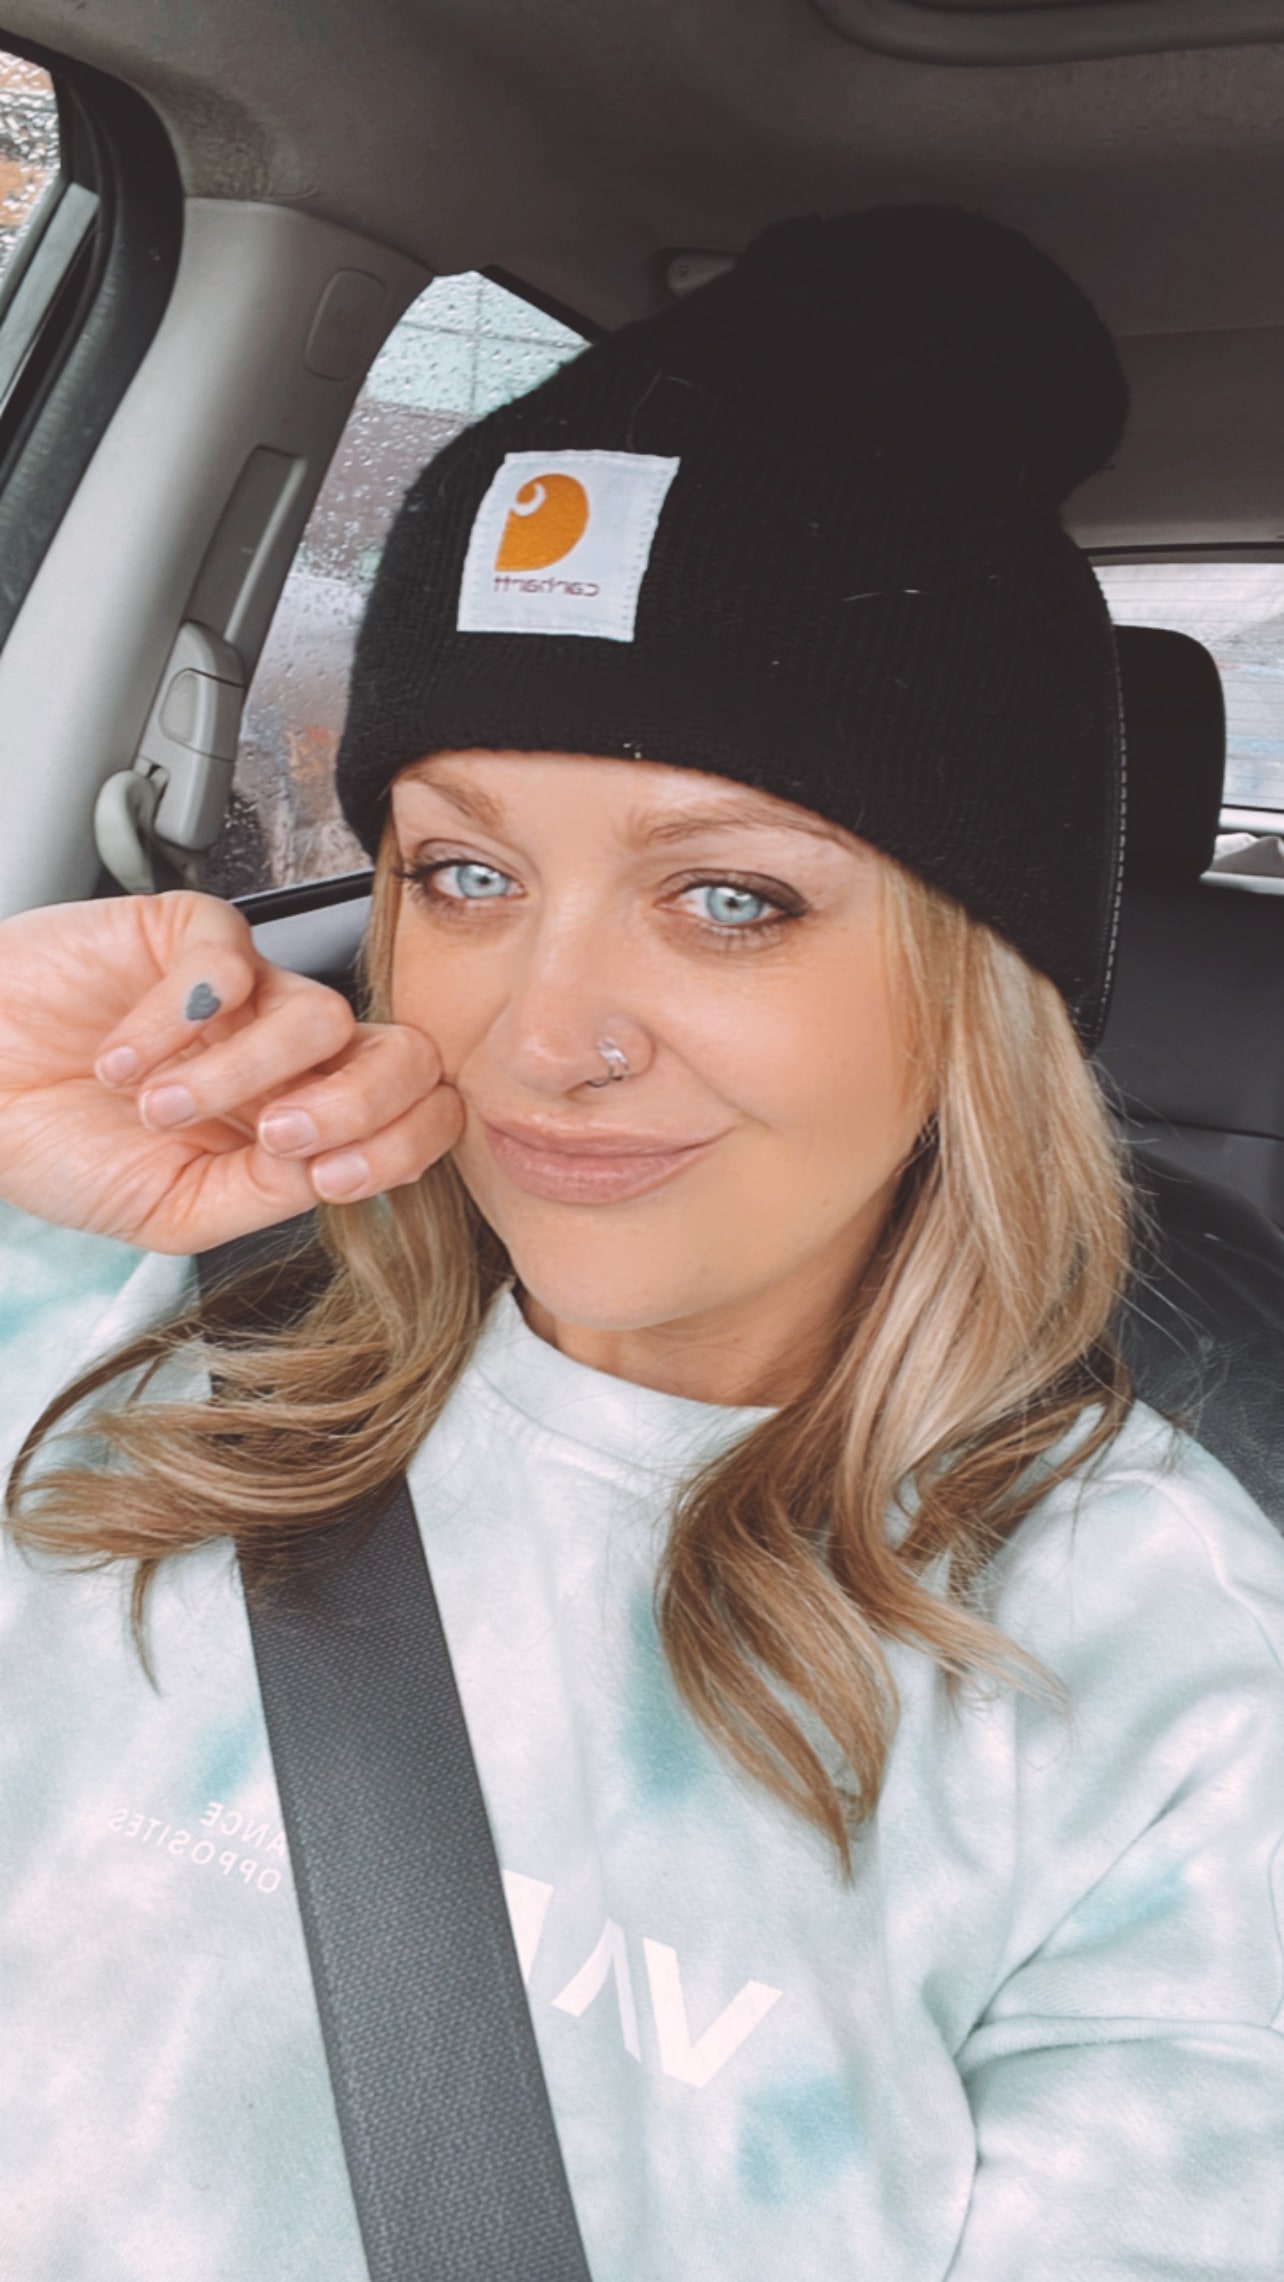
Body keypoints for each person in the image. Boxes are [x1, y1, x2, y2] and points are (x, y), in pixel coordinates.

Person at [0, 207, 1281, 2282]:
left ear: (987, 986)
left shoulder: (1170, 1676)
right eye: (465, 873)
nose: (543, 1035)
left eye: (731, 899)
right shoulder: (108, 1296)